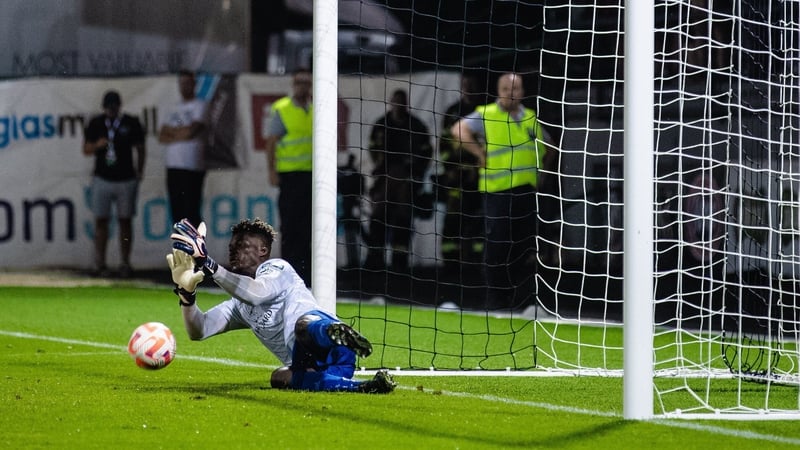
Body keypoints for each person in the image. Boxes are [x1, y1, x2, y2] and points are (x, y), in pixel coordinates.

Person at [166, 218, 396, 393]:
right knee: (279, 378)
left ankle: (336, 332)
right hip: (312, 363)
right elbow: (199, 330)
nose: (233, 251)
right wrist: (187, 294)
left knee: (303, 325)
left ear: (262, 251)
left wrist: (208, 265)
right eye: (231, 247)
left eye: (242, 246)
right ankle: (359, 387)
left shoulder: (278, 268)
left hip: (327, 344)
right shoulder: (239, 306)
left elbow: (257, 293)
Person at [450, 72, 556, 311]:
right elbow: (458, 130)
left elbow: (550, 147)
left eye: (516, 88)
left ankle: (514, 296)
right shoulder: (487, 114)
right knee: (497, 245)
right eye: (507, 88)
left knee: (524, 246)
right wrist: (479, 154)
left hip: (526, 192)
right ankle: (496, 298)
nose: (511, 92)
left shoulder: (530, 117)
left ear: (523, 92)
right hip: (497, 192)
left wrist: (543, 174)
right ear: (499, 91)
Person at [364, 89, 433, 271]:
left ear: (406, 104)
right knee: (378, 218)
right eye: (395, 102)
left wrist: (415, 173)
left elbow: (426, 152)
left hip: (407, 181)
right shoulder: (381, 124)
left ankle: (399, 262)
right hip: (384, 179)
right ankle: (375, 259)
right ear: (390, 103)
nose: (398, 106)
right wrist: (382, 170)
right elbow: (373, 149)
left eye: (401, 102)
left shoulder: (416, 126)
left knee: (403, 220)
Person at [82, 90, 146, 278]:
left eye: (114, 106)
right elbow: (86, 149)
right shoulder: (96, 123)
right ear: (104, 107)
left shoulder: (130, 123)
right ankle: (99, 262)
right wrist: (97, 145)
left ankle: (125, 262)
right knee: (101, 221)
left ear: (119, 106)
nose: (111, 110)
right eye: (108, 107)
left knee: (125, 221)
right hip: (103, 177)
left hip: (125, 178)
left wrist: (139, 171)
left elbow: (140, 148)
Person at [264, 67, 313, 286]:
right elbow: (271, 142)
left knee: (310, 226)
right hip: (290, 176)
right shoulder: (282, 109)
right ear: (293, 85)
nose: (303, 85)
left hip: (312, 177)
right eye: (299, 82)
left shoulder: (317, 108)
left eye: (306, 82)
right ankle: (289, 273)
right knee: (290, 227)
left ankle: (308, 274)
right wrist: (272, 171)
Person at [438, 75, 485, 277]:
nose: (468, 88)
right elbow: (444, 143)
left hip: (479, 175)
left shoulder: (484, 111)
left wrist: (478, 166)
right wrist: (450, 168)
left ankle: (476, 261)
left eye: (471, 85)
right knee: (453, 217)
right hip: (456, 176)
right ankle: (450, 262)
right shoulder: (452, 112)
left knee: (477, 217)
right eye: (466, 85)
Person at [158, 69, 208, 226]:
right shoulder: (173, 107)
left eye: (188, 82)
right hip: (173, 166)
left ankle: (196, 249)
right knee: (177, 212)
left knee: (191, 210)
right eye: (182, 83)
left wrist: (173, 134)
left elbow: (191, 132)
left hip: (191, 166)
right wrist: (182, 132)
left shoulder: (201, 105)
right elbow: (161, 136)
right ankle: (183, 249)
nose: (185, 86)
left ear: (194, 84)